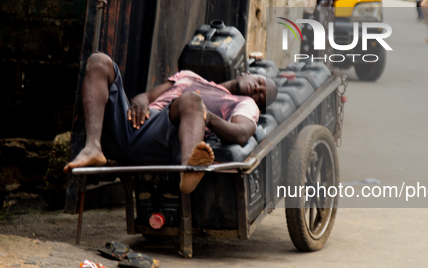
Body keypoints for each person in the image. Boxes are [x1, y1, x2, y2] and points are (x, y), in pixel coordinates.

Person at [64, 53, 278, 194]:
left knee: (192, 100)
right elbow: (148, 95)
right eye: (259, 83)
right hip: (133, 124)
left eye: (261, 96)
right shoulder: (189, 76)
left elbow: (242, 132)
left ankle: (189, 170)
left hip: (166, 140)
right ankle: (93, 147)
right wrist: (140, 100)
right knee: (99, 61)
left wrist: (208, 117)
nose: (256, 91)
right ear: (248, 74)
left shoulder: (244, 103)